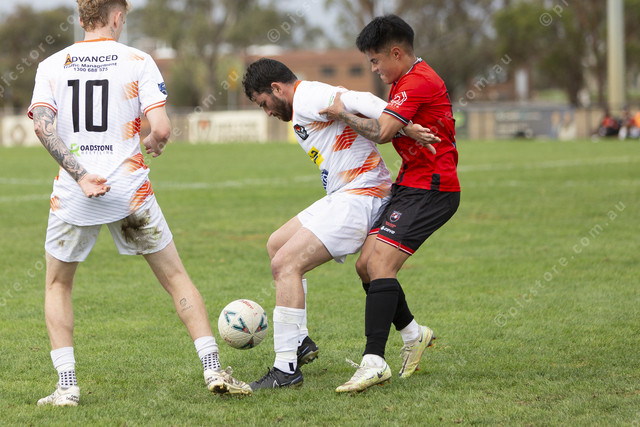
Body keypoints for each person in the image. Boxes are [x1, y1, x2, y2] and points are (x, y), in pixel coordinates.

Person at [28, 0, 250, 406]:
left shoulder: (52, 65)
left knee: (58, 285)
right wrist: (154, 141)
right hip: (129, 192)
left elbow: (44, 128)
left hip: (75, 194)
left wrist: (81, 174)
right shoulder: (138, 60)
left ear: (81, 17)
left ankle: (67, 386)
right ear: (117, 16)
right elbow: (161, 127)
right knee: (176, 278)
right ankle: (213, 368)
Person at [241, 58, 437, 391]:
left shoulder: (307, 96)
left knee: (285, 264)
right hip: (345, 194)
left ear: (276, 88)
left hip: (362, 195)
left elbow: (361, 99)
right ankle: (301, 342)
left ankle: (285, 369)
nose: (267, 112)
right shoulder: (302, 102)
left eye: (264, 104)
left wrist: (403, 125)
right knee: (277, 244)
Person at [319, 14, 461, 393]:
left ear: (396, 53)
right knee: (365, 266)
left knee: (380, 264)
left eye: (376, 60)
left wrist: (341, 114)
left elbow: (382, 131)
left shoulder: (416, 81)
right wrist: (405, 126)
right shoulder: (405, 81)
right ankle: (414, 334)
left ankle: (374, 361)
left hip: (433, 188)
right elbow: (392, 119)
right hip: (410, 184)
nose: (374, 69)